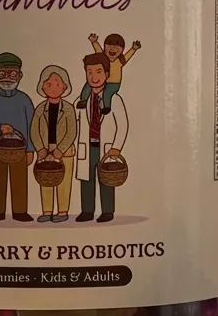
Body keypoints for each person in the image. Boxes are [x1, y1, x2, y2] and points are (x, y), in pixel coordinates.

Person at [75, 52, 128, 223]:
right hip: (87, 146)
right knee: (87, 179)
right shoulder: (82, 99)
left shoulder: (114, 99)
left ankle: (107, 211)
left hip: (106, 148)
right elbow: (75, 120)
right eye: (89, 72)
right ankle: (87, 211)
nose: (93, 77)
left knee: (106, 179)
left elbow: (123, 125)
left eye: (98, 72)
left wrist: (116, 147)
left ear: (106, 74)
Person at [0, 51, 35, 221]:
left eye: (12, 73)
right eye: (2, 73)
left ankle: (20, 211)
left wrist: (30, 149)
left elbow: (32, 125)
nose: (7, 78)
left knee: (20, 180)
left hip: (20, 149)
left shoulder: (24, 100)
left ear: (20, 75)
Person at [30, 66, 77, 223]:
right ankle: (47, 210)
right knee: (45, 178)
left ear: (64, 86)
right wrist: (40, 149)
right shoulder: (40, 109)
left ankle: (62, 211)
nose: (53, 87)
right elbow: (34, 131)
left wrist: (61, 150)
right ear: (42, 87)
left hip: (65, 151)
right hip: (45, 150)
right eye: (48, 84)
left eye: (57, 84)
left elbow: (72, 132)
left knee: (64, 180)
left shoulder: (69, 109)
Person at [77, 33, 141, 108]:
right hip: (101, 81)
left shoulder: (120, 61)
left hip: (113, 83)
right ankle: (83, 101)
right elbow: (97, 49)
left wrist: (134, 49)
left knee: (107, 93)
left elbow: (128, 55)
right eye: (109, 46)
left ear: (121, 50)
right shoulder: (102, 57)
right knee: (88, 86)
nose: (112, 49)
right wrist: (94, 42)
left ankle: (107, 107)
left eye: (116, 48)